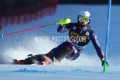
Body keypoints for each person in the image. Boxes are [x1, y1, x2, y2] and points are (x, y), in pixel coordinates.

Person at [14, 10, 109, 66]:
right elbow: (59, 30)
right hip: (66, 44)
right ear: (78, 19)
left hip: (75, 52)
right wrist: (62, 24)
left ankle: (52, 61)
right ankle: (24, 61)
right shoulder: (73, 26)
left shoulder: (91, 33)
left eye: (85, 19)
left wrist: (102, 59)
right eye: (81, 19)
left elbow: (97, 47)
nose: (83, 21)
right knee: (48, 54)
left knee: (71, 48)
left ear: (89, 21)